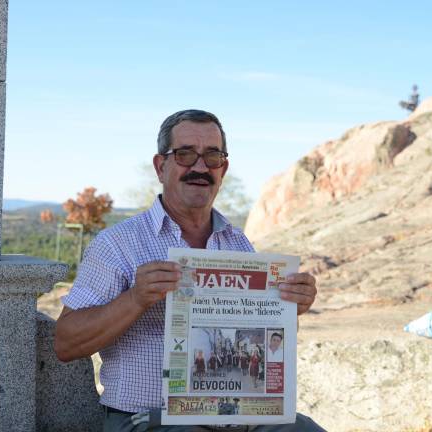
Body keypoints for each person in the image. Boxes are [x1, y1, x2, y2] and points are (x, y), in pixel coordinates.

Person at [54, 109, 325, 431]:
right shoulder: (118, 243)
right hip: (150, 417)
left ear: (223, 169)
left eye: (212, 156)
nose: (200, 167)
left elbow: (261, 343)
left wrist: (289, 308)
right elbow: (66, 343)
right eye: (185, 155)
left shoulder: (238, 244)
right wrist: (136, 299)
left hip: (237, 416)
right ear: (160, 166)